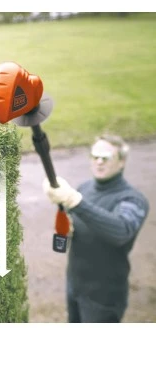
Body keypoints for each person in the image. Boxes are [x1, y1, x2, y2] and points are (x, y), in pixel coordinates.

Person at [42, 134, 149, 323]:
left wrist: (75, 201)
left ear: (122, 162)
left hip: (104, 296)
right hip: (74, 285)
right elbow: (76, 222)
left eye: (106, 157)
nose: (99, 162)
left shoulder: (133, 199)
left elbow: (121, 231)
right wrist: (67, 229)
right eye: (95, 156)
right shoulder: (84, 188)